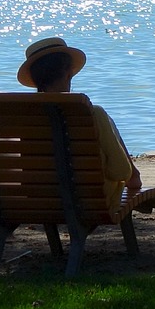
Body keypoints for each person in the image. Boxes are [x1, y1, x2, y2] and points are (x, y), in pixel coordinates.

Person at [17, 37, 141, 208]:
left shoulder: (22, 117)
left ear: (35, 79)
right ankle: (136, 175)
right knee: (104, 119)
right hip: (92, 200)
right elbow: (120, 171)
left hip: (41, 199)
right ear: (69, 73)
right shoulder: (91, 114)